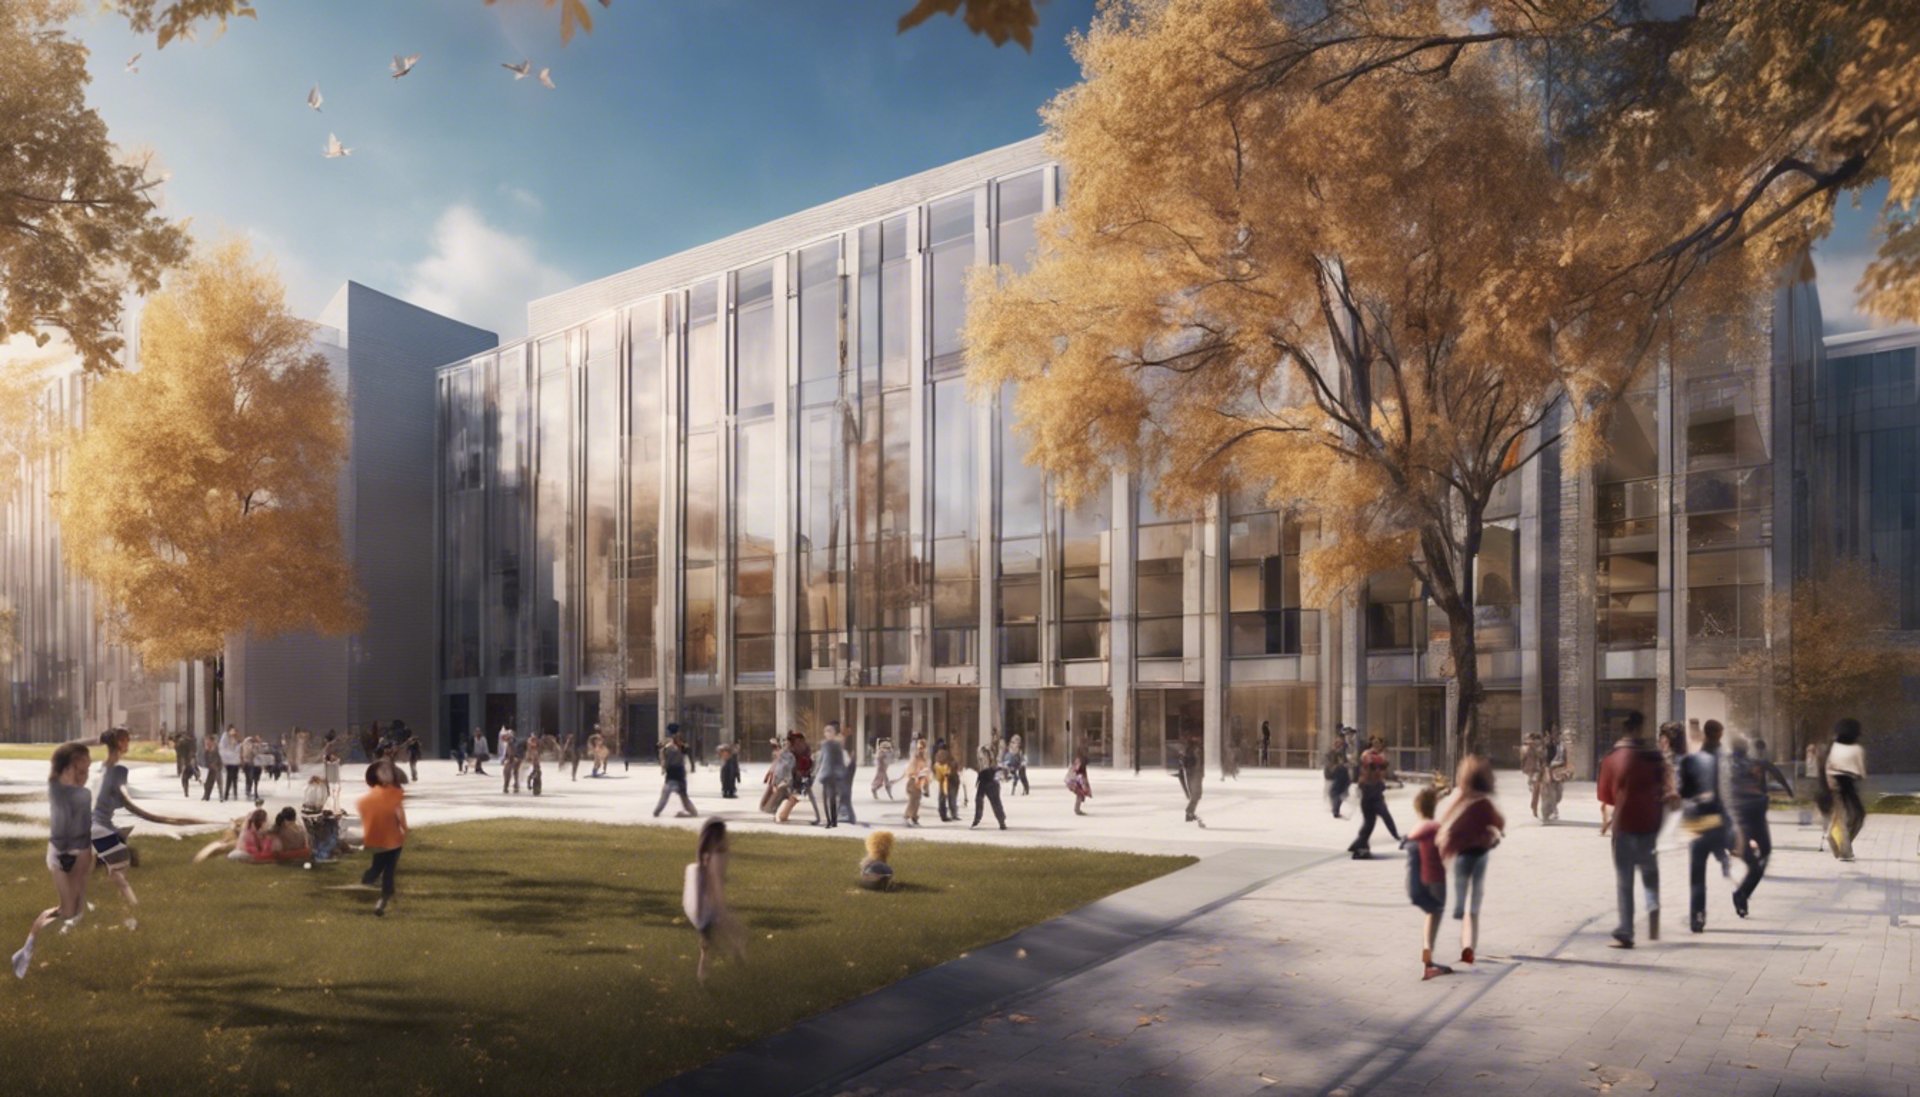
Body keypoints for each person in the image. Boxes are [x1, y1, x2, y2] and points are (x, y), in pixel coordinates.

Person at [90, 728, 197, 930]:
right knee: (120, 873)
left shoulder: (102, 768)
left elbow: (103, 803)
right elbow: (127, 803)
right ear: (121, 742)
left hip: (96, 827)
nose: (129, 744)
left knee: (116, 873)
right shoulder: (119, 771)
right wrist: (164, 819)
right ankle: (133, 915)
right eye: (127, 740)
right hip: (100, 829)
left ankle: (117, 914)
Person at [13, 743, 96, 979]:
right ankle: (26, 949)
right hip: (60, 854)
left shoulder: (84, 793)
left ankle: (35, 949)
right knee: (68, 910)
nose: (84, 776)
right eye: (79, 771)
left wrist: (90, 856)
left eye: (88, 771)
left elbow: (85, 828)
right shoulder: (55, 788)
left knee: (75, 911)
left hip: (80, 854)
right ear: (66, 769)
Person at [1598, 711, 1667, 948]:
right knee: (1649, 872)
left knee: (1624, 881)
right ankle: (1653, 906)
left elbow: (1606, 796)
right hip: (1649, 823)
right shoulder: (1653, 757)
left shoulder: (1612, 758)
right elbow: (1665, 787)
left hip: (1624, 824)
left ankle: (1626, 929)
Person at [1438, 756, 1504, 966]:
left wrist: (1441, 835)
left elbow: (1446, 818)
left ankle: (1459, 903)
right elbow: (1500, 822)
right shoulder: (1485, 803)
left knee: (1461, 882)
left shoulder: (1461, 797)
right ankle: (1469, 947)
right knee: (1474, 902)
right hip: (1481, 854)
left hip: (1463, 854)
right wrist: (1495, 833)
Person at [1680, 719, 1735, 933]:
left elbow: (1683, 792)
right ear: (1720, 734)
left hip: (1696, 821)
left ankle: (1697, 916)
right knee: (1727, 851)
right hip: (1718, 819)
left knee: (1696, 872)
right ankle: (1723, 858)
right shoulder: (1725, 759)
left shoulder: (1692, 760)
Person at [683, 819, 745, 985]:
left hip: (700, 910)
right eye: (725, 836)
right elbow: (715, 886)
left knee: (708, 945)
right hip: (707, 909)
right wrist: (722, 910)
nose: (727, 838)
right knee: (728, 935)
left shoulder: (704, 857)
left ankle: (732, 957)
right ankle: (735, 956)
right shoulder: (715, 858)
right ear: (718, 838)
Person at [1726, 735, 1774, 919]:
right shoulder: (1733, 766)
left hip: (1750, 816)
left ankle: (1742, 894)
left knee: (1758, 858)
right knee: (1759, 859)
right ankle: (1742, 895)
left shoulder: (1747, 764)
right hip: (1744, 818)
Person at [1405, 785, 1450, 980]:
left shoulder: (1419, 826)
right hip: (1435, 879)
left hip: (1417, 881)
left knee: (1431, 917)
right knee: (1435, 916)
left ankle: (1427, 960)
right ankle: (1428, 963)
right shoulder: (1434, 828)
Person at [357, 760, 409, 916]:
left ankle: (375, 888)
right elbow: (399, 814)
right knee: (384, 869)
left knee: (382, 868)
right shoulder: (391, 794)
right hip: (389, 840)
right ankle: (379, 894)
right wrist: (405, 829)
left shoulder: (380, 794)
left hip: (383, 840)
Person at [1348, 735, 1401, 858]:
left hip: (1376, 790)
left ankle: (1358, 844)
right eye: (1374, 743)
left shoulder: (1380, 755)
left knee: (1372, 821)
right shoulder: (1367, 754)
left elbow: (1383, 766)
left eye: (1379, 743)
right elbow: (1373, 763)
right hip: (1368, 790)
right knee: (1375, 819)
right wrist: (1380, 761)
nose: (1376, 745)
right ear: (1371, 743)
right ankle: (1360, 845)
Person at [1824, 717, 1868, 862]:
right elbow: (1861, 772)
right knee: (1856, 816)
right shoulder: (1857, 749)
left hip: (1836, 783)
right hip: (1845, 783)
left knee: (1842, 816)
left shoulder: (1833, 746)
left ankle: (1839, 843)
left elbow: (1827, 767)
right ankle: (1844, 850)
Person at [777, 732, 820, 825]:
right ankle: (783, 815)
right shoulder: (802, 747)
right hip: (802, 776)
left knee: (795, 796)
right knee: (798, 796)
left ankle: (783, 815)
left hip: (800, 776)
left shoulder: (795, 748)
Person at [655, 728, 697, 818]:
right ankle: (656, 811)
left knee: (679, 796)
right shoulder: (672, 748)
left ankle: (656, 812)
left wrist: (664, 767)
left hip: (677, 776)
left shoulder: (676, 748)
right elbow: (663, 756)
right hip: (675, 775)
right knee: (675, 795)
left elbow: (665, 758)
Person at [816, 724, 849, 829]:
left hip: (834, 774)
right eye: (826, 731)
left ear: (834, 733)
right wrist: (816, 771)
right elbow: (821, 759)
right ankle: (829, 820)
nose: (828, 733)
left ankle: (833, 821)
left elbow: (840, 760)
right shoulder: (824, 744)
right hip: (826, 773)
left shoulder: (836, 745)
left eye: (830, 731)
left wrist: (842, 772)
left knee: (832, 798)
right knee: (826, 798)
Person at [972, 743, 1007, 830]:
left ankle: (1001, 821)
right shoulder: (983, 758)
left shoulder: (991, 759)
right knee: (979, 799)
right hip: (984, 779)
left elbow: (994, 767)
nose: (980, 758)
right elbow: (981, 769)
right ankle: (977, 819)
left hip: (990, 780)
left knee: (995, 802)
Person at [835, 722, 860, 826]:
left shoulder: (843, 751)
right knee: (844, 795)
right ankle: (847, 815)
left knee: (844, 794)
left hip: (844, 774)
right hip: (843, 774)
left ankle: (846, 815)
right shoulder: (841, 750)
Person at [1177, 734, 1205, 827]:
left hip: (1195, 774)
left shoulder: (1194, 750)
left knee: (1197, 794)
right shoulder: (1194, 750)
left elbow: (1200, 763)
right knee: (1196, 794)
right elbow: (1196, 764)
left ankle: (1189, 814)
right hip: (1194, 774)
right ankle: (1189, 811)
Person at [762, 736, 794, 814]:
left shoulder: (790, 756)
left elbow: (790, 766)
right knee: (777, 792)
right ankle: (772, 807)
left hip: (784, 777)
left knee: (780, 793)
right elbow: (775, 764)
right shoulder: (780, 754)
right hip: (778, 775)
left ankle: (774, 808)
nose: (785, 746)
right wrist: (770, 773)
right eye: (784, 744)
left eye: (787, 744)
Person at [903, 739, 930, 827]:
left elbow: (926, 772)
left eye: (923, 748)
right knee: (912, 800)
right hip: (913, 781)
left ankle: (914, 817)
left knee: (917, 801)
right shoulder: (915, 758)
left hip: (919, 782)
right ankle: (907, 816)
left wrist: (926, 787)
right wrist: (915, 774)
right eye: (920, 748)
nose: (921, 750)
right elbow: (911, 770)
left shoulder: (924, 759)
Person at [1324, 744, 1351, 819]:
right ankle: (1335, 810)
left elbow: (1331, 774)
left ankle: (1335, 810)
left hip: (1341, 782)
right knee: (1337, 796)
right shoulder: (1338, 766)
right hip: (1339, 783)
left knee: (1337, 796)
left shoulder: (1340, 766)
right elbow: (1330, 774)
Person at [933, 741, 957, 823]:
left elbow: (936, 767)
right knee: (949, 796)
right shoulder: (947, 755)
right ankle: (950, 814)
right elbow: (953, 764)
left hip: (941, 779)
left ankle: (942, 813)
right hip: (948, 778)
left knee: (942, 797)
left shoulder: (937, 755)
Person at [218, 726, 243, 802]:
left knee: (235, 778)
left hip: (236, 761)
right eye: (232, 730)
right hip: (229, 762)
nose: (233, 732)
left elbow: (238, 749)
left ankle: (235, 794)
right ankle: (226, 794)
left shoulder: (236, 738)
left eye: (234, 730)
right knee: (229, 778)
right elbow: (223, 749)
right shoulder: (225, 738)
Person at [200, 730, 224, 802]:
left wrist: (217, 766)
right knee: (207, 783)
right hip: (210, 768)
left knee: (219, 783)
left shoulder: (216, 748)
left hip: (217, 768)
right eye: (206, 741)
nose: (206, 742)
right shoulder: (206, 750)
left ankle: (221, 796)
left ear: (212, 741)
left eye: (208, 741)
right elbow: (205, 759)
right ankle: (206, 796)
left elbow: (219, 758)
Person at [173, 728, 198, 797]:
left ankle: (186, 791)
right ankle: (196, 774)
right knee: (186, 776)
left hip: (187, 761)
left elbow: (181, 754)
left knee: (185, 777)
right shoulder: (189, 741)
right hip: (189, 761)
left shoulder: (182, 743)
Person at [499, 726, 521, 795]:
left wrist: (515, 757)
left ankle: (512, 786)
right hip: (511, 759)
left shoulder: (513, 742)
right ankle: (512, 786)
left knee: (511, 772)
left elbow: (516, 751)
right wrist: (504, 758)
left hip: (515, 758)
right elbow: (507, 753)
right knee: (509, 772)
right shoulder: (508, 743)